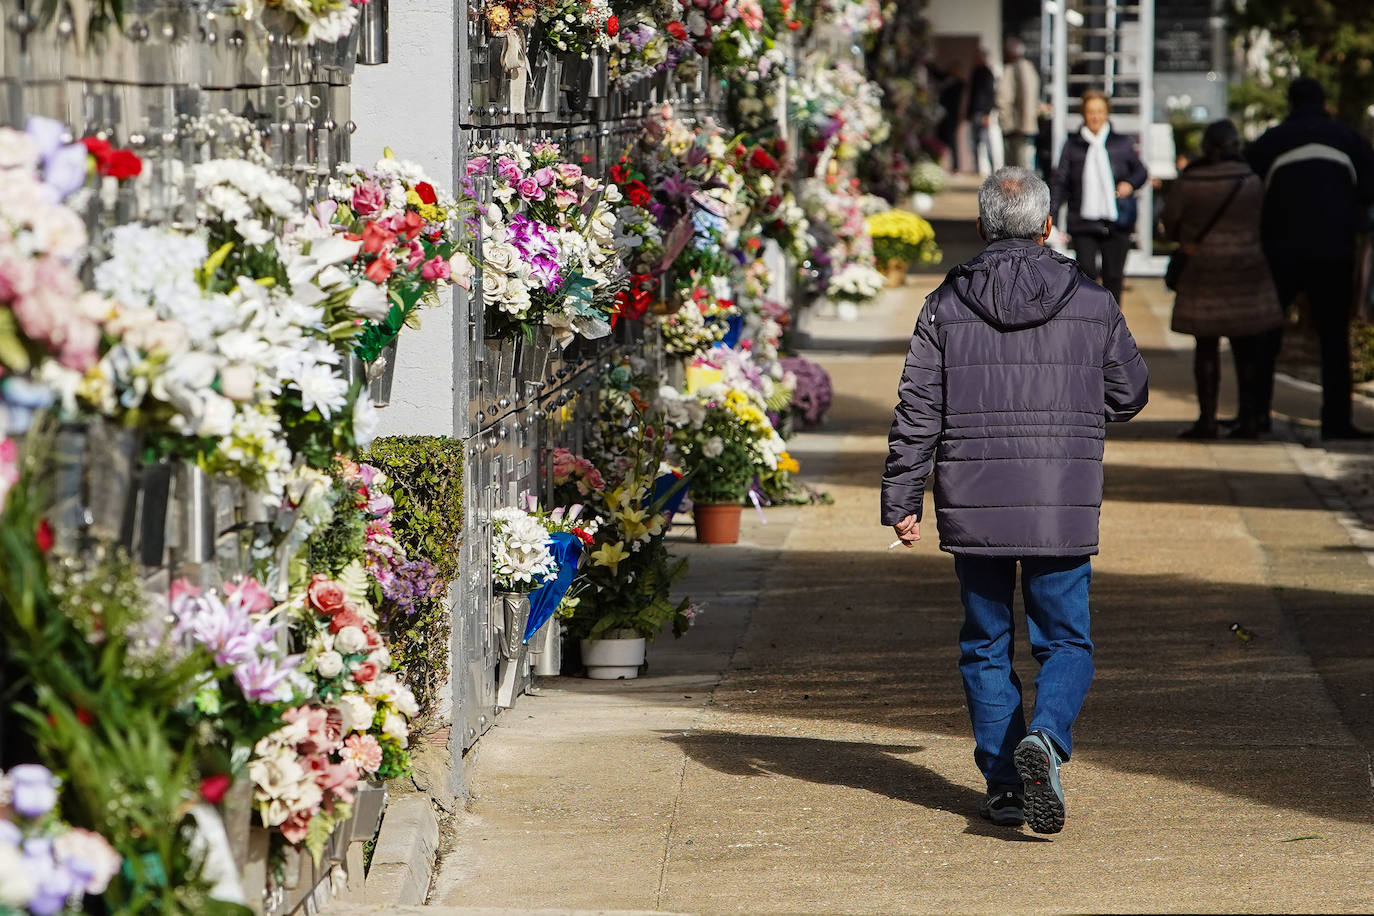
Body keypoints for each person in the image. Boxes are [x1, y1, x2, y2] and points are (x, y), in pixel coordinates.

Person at [882, 167, 1148, 834]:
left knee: (985, 646)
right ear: (1048, 225)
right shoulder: (1092, 299)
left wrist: (903, 494)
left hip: (974, 502)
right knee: (1065, 642)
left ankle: (1004, 786)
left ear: (980, 227)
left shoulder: (945, 302)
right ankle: (1048, 738)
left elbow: (919, 406)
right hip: (1061, 499)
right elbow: (1129, 395)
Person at [1246, 77, 1374, 440]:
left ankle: (1257, 415)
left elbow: (1247, 181)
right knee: (1334, 338)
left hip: (1281, 249)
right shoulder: (1348, 139)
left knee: (1267, 333)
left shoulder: (1273, 139)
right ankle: (1337, 422)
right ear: (1325, 102)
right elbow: (1369, 188)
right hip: (1334, 249)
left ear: (1290, 103)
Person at [1162, 120, 1283, 439]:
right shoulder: (1251, 181)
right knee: (1246, 348)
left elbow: (1170, 224)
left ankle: (1207, 420)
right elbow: (1268, 223)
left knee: (1205, 347)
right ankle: (1249, 419)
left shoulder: (1190, 181)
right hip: (1247, 272)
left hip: (1203, 273)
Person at [1049, 90, 1149, 304]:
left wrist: (1129, 184)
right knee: (1085, 274)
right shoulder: (1072, 146)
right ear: (1083, 114)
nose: (1095, 117)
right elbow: (1060, 183)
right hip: (1083, 221)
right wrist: (1052, 219)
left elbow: (1141, 171)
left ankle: (1112, 326)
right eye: (1090, 112)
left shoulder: (1121, 143)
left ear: (1107, 113)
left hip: (1117, 220)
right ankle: (1089, 322)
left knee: (1114, 276)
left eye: (1100, 112)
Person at [997, 38, 1041, 170]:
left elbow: (1004, 98)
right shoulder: (1030, 68)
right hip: (1028, 124)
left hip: (1014, 125)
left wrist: (1004, 121)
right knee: (1025, 162)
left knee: (1015, 166)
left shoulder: (1011, 69)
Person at [967, 49, 998, 177]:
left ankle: (992, 168)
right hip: (975, 111)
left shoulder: (986, 73)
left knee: (985, 140)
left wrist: (987, 113)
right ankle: (976, 167)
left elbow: (990, 95)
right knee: (974, 141)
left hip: (982, 112)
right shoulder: (976, 72)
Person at [934, 60, 967, 174]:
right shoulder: (946, 79)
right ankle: (938, 163)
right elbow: (936, 73)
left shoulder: (959, 83)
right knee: (940, 139)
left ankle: (955, 167)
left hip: (951, 116)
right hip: (941, 114)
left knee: (952, 142)